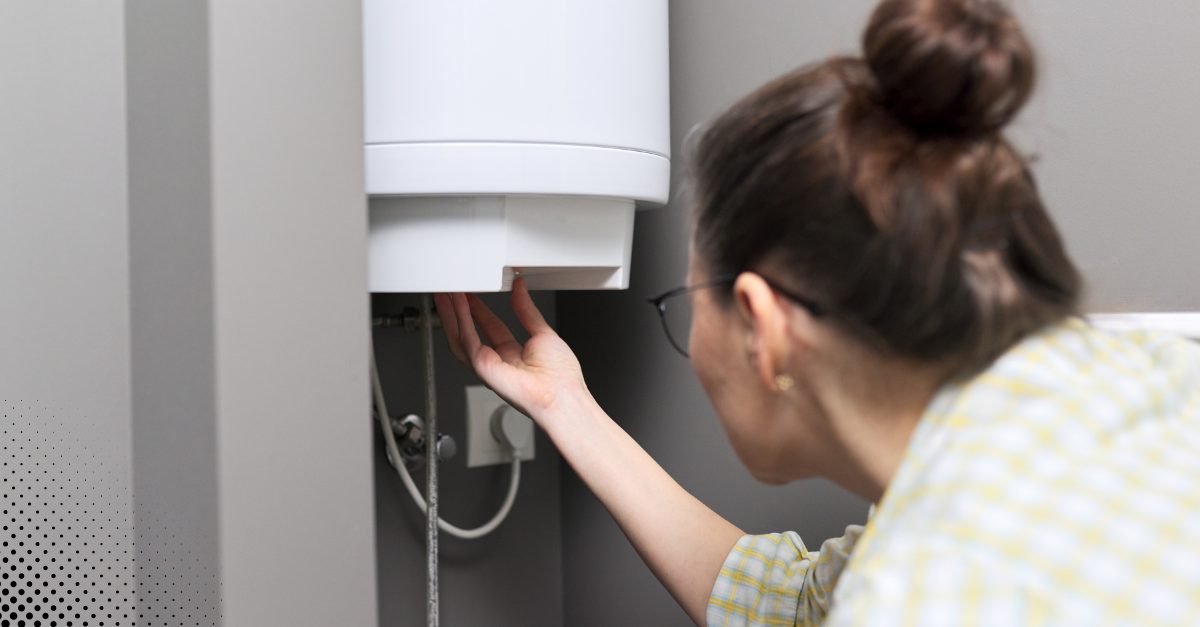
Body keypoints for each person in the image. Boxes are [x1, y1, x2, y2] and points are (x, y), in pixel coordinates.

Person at [434, 0, 1200, 624]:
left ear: (762, 327)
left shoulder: (927, 595)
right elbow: (803, 606)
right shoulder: (1134, 375)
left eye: (687, 301)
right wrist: (566, 405)